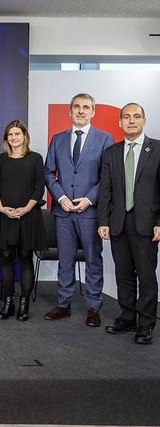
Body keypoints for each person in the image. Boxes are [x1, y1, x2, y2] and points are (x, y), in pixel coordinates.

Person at [44, 93, 113, 327]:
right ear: (70, 111)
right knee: (65, 260)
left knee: (93, 260)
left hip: (90, 212)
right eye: (77, 107)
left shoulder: (105, 139)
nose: (81, 111)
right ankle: (63, 304)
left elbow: (108, 177)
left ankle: (94, 307)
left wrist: (89, 200)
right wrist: (61, 197)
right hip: (63, 212)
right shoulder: (58, 139)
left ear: (93, 112)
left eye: (86, 107)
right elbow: (48, 173)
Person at [98, 103, 160, 345]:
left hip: (147, 224)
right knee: (123, 274)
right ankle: (127, 317)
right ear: (119, 122)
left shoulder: (157, 149)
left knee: (146, 277)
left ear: (144, 120)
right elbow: (105, 190)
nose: (131, 121)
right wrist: (103, 221)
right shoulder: (111, 152)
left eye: (136, 116)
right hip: (118, 224)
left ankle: (145, 324)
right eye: (126, 117)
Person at [0, 120, 45, 322]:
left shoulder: (35, 159)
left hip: (28, 215)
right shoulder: (0, 159)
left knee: (24, 258)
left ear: (25, 136)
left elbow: (39, 188)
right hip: (5, 216)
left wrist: (26, 209)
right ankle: (8, 302)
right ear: (6, 139)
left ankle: (24, 303)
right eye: (10, 134)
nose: (14, 137)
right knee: (5, 258)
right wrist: (2, 208)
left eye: (17, 134)